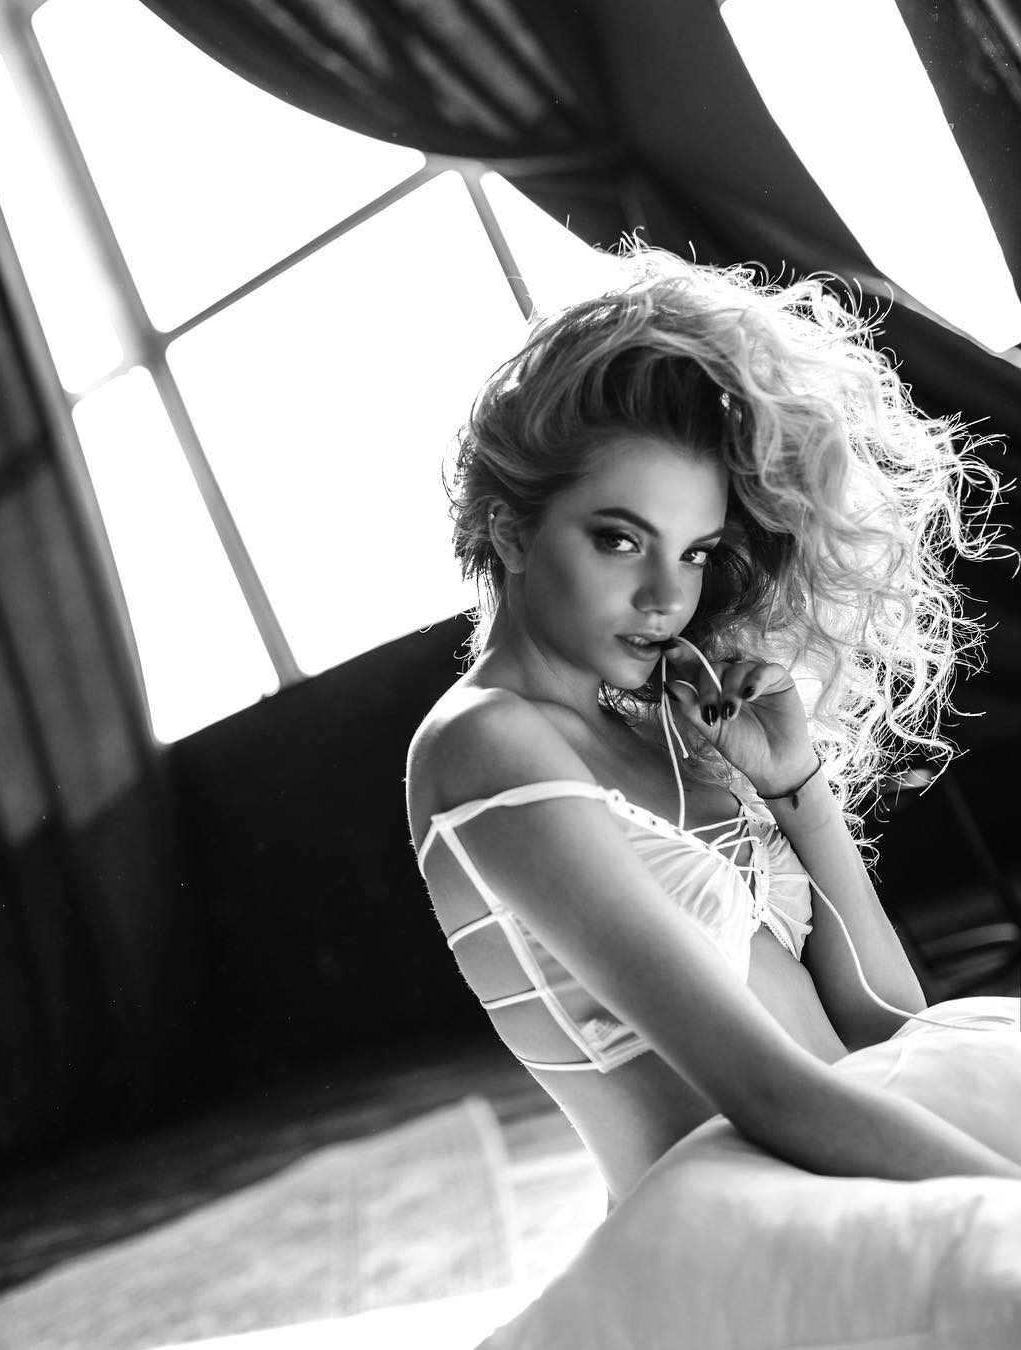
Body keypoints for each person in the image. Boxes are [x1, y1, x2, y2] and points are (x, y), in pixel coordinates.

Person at [405, 249, 1021, 1210]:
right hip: (743, 1225)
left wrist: (795, 787)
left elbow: (890, 1024)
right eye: (619, 540)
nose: (666, 596)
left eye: (693, 553)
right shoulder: (484, 745)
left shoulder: (671, 729)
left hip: (860, 1173)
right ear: (511, 529)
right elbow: (766, 1093)